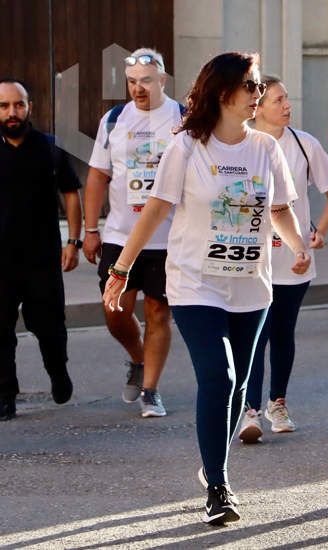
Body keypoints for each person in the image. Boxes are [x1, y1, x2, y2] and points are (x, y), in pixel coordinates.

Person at [102, 52, 310, 526]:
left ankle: (213, 463)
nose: (258, 94)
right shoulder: (188, 147)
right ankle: (218, 485)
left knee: (237, 387)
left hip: (251, 285)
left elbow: (278, 209)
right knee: (219, 374)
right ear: (224, 93)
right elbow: (155, 210)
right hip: (196, 282)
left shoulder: (264, 148)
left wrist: (299, 245)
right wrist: (122, 270)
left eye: (260, 86)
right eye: (252, 86)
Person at [238, 75, 328, 442]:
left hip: (295, 259)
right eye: (278, 100)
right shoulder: (245, 143)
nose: (286, 106)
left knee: (283, 333)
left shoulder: (304, 143)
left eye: (287, 100)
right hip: (255, 258)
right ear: (259, 107)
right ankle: (249, 411)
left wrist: (319, 232)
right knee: (257, 334)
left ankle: (276, 403)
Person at [85, 48, 181, 417]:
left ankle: (151, 390)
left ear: (162, 80)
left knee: (159, 312)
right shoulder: (113, 120)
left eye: (145, 80)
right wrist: (91, 229)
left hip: (168, 237)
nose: (138, 88)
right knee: (115, 310)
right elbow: (97, 175)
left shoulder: (183, 118)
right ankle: (137, 357)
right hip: (120, 235)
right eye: (131, 81)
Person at [0, 78, 80, 421]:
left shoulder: (49, 148)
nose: (12, 112)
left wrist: (74, 241)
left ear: (29, 106)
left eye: (18, 104)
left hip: (42, 258)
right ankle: (5, 395)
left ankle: (58, 372)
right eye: (4, 106)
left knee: (50, 327)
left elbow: (71, 194)